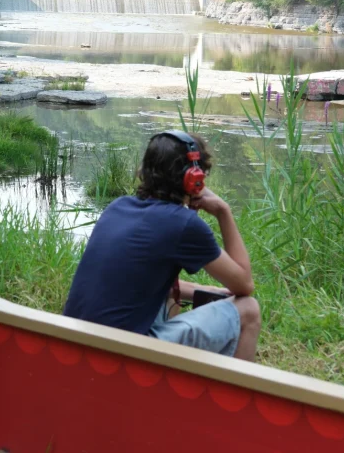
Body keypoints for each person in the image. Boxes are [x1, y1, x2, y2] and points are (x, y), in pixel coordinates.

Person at [63, 130, 261, 361]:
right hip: (124, 356)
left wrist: (207, 292)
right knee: (248, 309)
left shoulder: (118, 206)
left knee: (169, 294)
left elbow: (147, 285)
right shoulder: (183, 223)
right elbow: (244, 285)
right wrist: (223, 211)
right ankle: (234, 397)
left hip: (79, 345)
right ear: (194, 179)